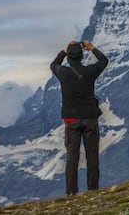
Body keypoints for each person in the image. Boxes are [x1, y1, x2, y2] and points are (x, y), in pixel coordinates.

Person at [50, 40, 108, 196]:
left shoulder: (63, 73)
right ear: (82, 56)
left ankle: (71, 191)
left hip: (71, 119)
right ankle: (93, 190)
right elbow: (104, 61)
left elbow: (53, 64)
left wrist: (64, 50)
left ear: (69, 58)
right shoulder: (90, 72)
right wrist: (93, 48)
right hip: (90, 117)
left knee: (72, 157)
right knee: (92, 156)